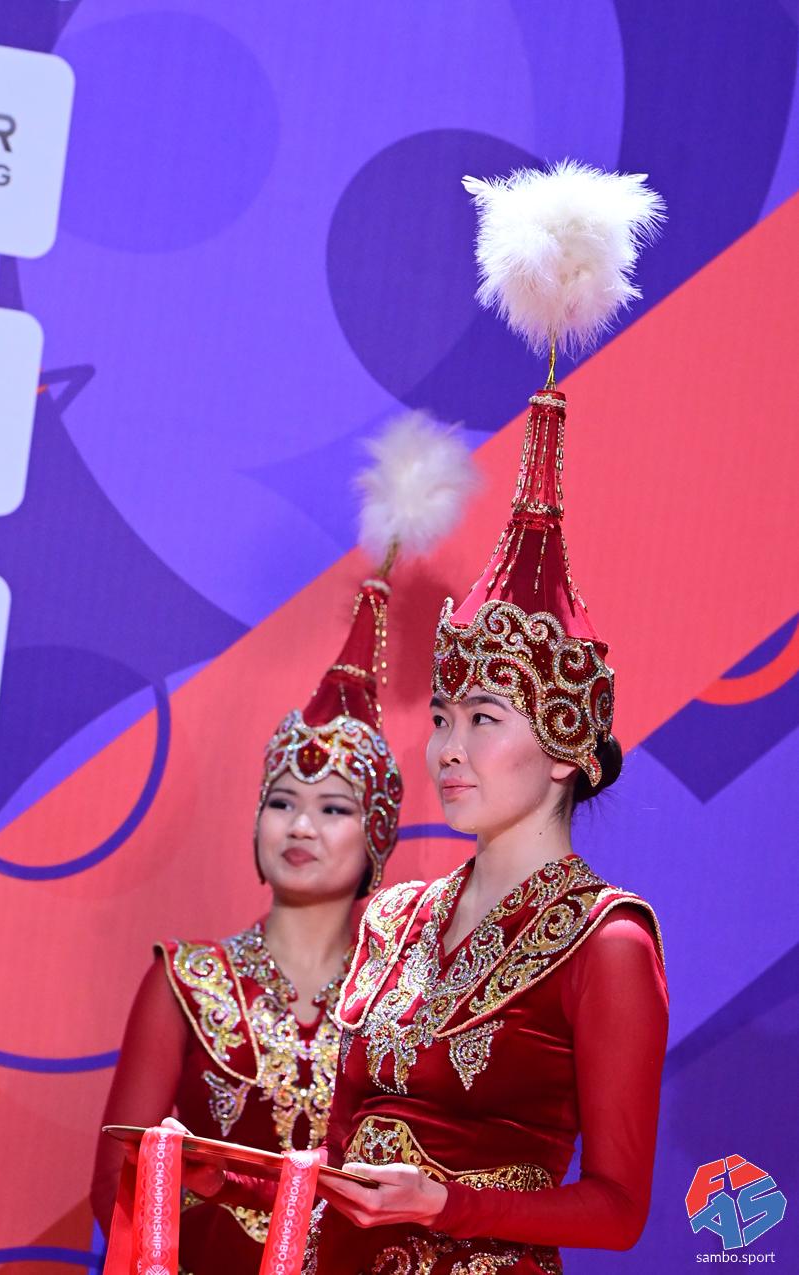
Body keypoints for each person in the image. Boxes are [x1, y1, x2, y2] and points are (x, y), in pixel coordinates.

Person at [296, 164, 669, 1273]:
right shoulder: (393, 916)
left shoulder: (608, 944)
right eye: (444, 714)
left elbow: (618, 1209)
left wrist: (447, 1203)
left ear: (565, 749)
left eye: (484, 718)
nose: (447, 747)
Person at [91, 412, 476, 1274]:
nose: (300, 826)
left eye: (333, 808)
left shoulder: (402, 1010)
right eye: (282, 802)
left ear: (377, 837)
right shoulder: (187, 984)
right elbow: (113, 1182)